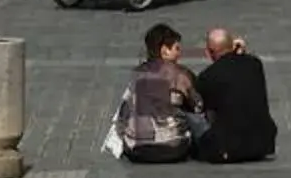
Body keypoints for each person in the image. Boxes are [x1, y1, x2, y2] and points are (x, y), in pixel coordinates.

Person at [118, 23, 205, 163]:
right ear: (165, 50)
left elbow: (124, 111)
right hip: (173, 148)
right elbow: (198, 106)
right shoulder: (181, 74)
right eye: (176, 49)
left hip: (136, 149)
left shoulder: (136, 74)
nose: (179, 54)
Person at [191, 28, 278, 162]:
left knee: (193, 116)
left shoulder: (207, 76)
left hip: (228, 149)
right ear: (233, 45)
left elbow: (207, 112)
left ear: (209, 52)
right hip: (262, 145)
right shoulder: (255, 64)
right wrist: (241, 53)